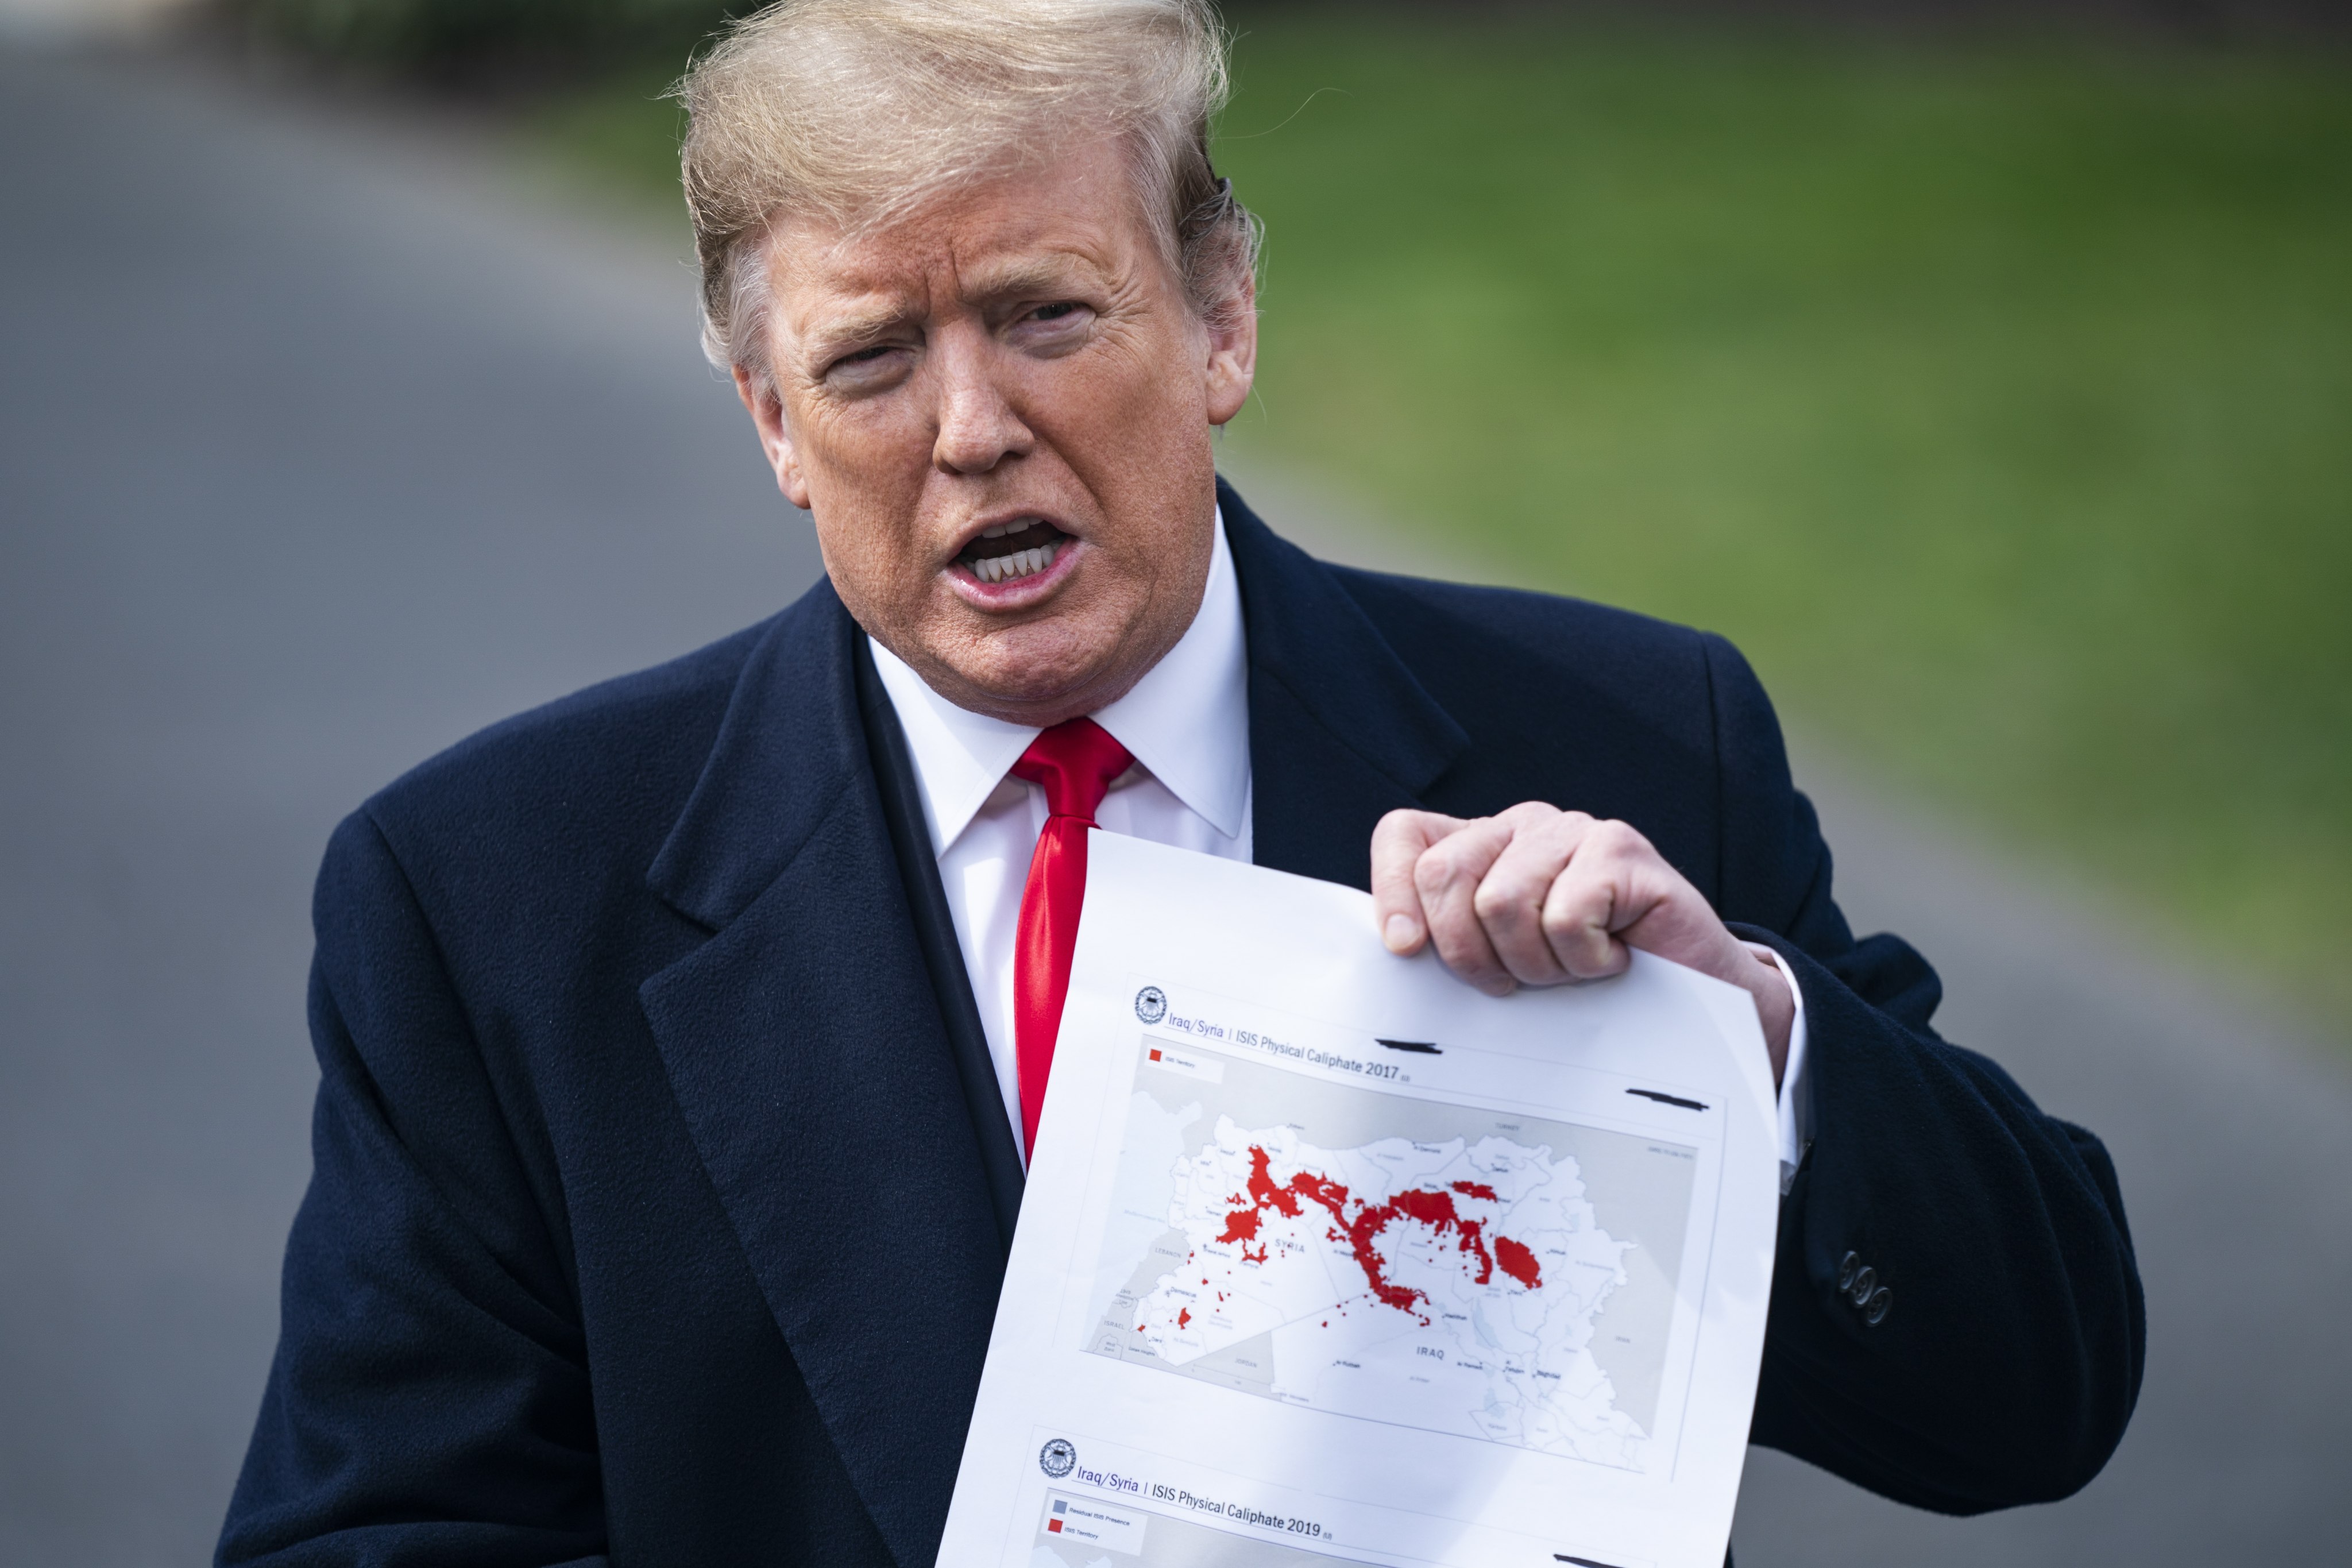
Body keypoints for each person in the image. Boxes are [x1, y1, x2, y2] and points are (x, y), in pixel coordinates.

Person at [216, 1, 2145, 1563]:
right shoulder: (491, 895)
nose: (974, 427)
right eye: (873, 357)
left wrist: (1743, 1042)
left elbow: (2036, 1397)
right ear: (770, 422)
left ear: (1220, 318)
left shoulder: (1631, 740)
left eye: (1048, 315)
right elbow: (377, 1535)